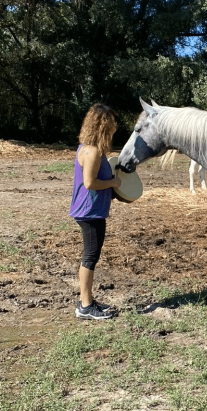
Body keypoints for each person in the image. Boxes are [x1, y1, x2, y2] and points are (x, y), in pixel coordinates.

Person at [69, 103, 122, 320]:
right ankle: (85, 305)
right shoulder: (92, 152)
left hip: (92, 211)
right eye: (110, 124)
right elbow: (90, 183)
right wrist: (113, 182)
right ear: (101, 125)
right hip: (90, 212)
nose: (114, 128)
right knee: (90, 257)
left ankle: (87, 300)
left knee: (91, 255)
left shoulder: (87, 148)